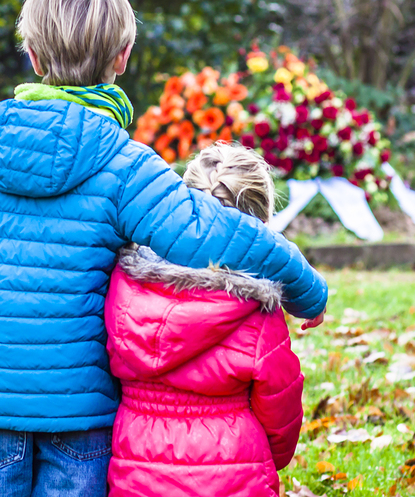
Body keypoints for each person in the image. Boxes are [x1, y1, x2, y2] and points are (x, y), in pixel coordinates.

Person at [0, 0, 326, 497]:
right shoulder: (124, 165)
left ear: (35, 57)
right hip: (82, 417)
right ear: (123, 57)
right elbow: (212, 233)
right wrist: (304, 286)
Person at [106, 143, 306, 497]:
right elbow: (281, 409)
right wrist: (266, 457)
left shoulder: (125, 289)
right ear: (260, 225)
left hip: (135, 471)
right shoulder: (258, 311)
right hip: (234, 475)